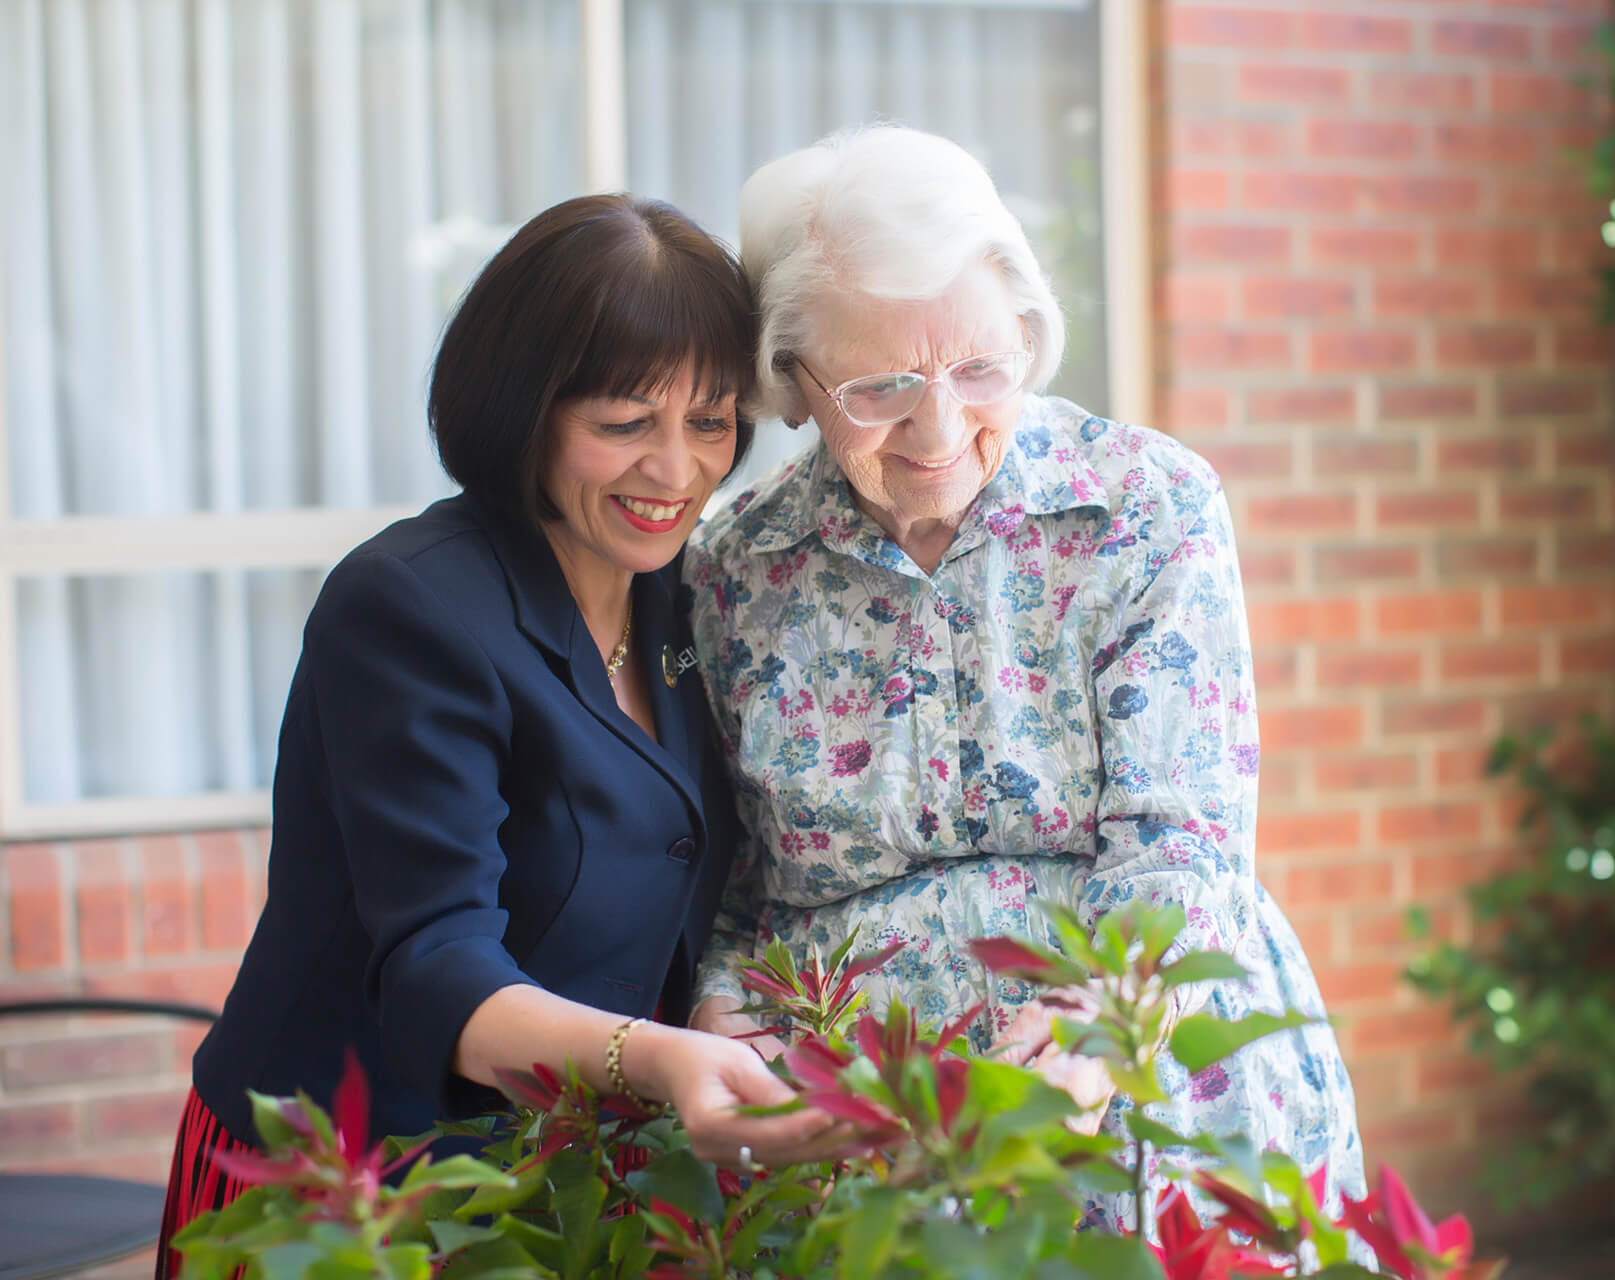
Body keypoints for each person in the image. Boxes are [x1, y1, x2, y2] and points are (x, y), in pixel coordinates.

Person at [683, 126, 1371, 1235]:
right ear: (793, 384)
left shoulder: (1146, 504)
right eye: (881, 386)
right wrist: (725, 995)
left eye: (980, 369)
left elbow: (1185, 837)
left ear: (1031, 338)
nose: (940, 427)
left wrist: (1101, 1019)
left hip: (1145, 1081)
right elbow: (742, 876)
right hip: (864, 1136)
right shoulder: (732, 571)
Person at [158, 195, 844, 1278]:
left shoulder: (683, 598)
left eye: (710, 423)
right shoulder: (409, 607)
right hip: (353, 1186)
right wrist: (663, 1057)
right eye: (625, 423)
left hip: (574, 1175)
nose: (676, 471)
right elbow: (437, 961)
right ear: (524, 408)